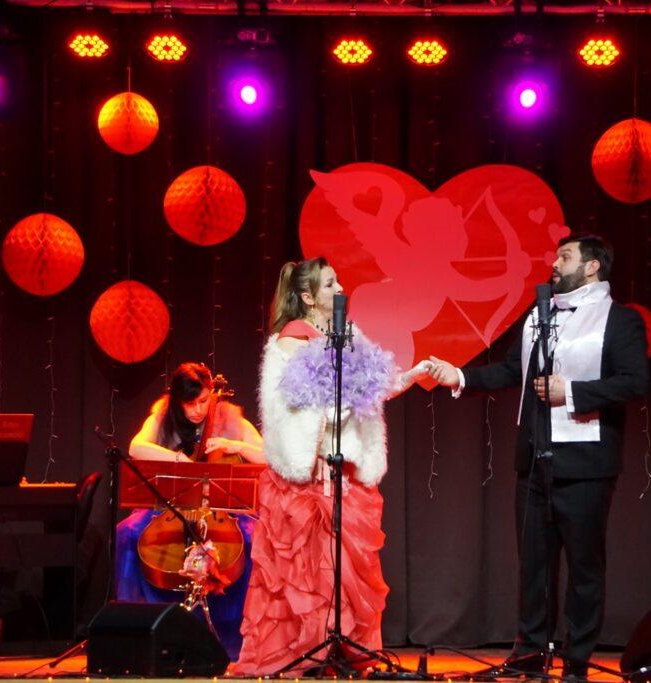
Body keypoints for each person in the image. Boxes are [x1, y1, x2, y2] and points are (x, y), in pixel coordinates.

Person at [428, 233, 649, 678]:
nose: (555, 263)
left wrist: (573, 392)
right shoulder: (538, 314)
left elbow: (634, 382)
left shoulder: (620, 320)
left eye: (565, 256)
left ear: (592, 266)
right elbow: (514, 369)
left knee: (584, 568)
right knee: (534, 567)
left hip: (586, 463)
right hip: (534, 460)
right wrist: (460, 377)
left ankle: (576, 663)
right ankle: (529, 655)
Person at [234, 256, 428, 676]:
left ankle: (346, 649)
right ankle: (307, 653)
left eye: (337, 281)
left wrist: (409, 376)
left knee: (348, 572)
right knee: (308, 573)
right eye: (329, 284)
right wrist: (321, 438)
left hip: (347, 475)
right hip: (311, 478)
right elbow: (290, 409)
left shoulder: (347, 334)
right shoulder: (292, 339)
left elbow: (368, 390)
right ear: (307, 297)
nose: (340, 289)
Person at [114, 362, 264, 660]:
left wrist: (235, 445)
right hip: (174, 508)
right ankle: (145, 634)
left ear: (211, 394)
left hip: (224, 512)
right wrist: (178, 460)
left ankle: (233, 637)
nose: (197, 410)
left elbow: (267, 456)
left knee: (253, 540)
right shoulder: (162, 416)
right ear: (176, 400)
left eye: (204, 401)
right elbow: (135, 447)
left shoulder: (231, 419)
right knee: (128, 534)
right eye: (189, 403)